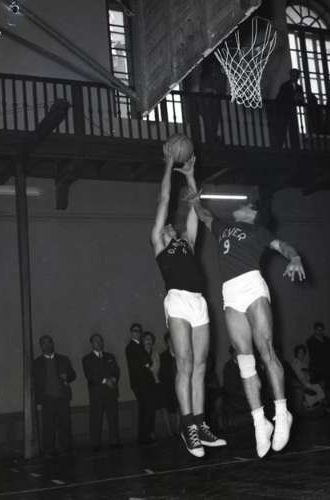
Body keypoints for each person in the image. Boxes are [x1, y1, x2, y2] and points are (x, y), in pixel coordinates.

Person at [192, 174, 306, 458]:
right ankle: (259, 422)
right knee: (244, 361)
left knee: (266, 350)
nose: (239, 206)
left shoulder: (259, 231)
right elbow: (203, 214)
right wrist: (192, 188)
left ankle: (282, 413)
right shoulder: (222, 227)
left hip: (252, 285)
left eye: (245, 205)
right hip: (230, 293)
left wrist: (294, 258)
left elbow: (283, 246)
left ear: (253, 214)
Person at [151, 144, 225, 458]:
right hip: (178, 300)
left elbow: (195, 208)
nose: (170, 225)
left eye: (172, 224)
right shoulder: (159, 242)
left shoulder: (189, 242)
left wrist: (191, 176)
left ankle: (200, 422)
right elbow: (165, 199)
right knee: (184, 363)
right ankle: (187, 426)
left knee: (200, 366)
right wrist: (169, 165)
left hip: (198, 302)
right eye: (167, 225)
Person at [33, 335, 76, 456]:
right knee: (48, 426)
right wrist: (38, 402)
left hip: (62, 398)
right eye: (44, 343)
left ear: (53, 344)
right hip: (47, 399)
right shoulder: (36, 363)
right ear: (41, 346)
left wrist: (67, 377)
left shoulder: (63, 359)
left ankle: (65, 449)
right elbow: (35, 384)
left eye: (49, 342)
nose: (47, 345)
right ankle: (48, 451)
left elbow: (73, 375)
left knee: (65, 424)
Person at [82, 333, 120, 451]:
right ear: (91, 343)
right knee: (96, 419)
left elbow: (116, 371)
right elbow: (90, 375)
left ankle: (114, 442)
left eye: (100, 340)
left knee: (113, 418)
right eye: (96, 341)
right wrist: (105, 381)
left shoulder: (110, 356)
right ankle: (95, 444)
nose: (98, 343)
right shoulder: (87, 359)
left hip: (111, 392)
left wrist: (113, 378)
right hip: (96, 395)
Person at [125, 322, 155, 444]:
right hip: (141, 383)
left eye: (139, 331)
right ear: (131, 332)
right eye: (135, 330)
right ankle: (145, 437)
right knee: (146, 409)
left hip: (143, 383)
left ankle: (144, 436)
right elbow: (147, 362)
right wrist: (147, 362)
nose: (137, 333)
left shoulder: (138, 346)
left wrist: (147, 362)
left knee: (145, 409)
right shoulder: (132, 346)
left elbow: (147, 362)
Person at [306, 322, 330, 409]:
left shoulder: (327, 339)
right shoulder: (311, 341)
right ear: (314, 330)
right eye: (318, 330)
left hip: (329, 367)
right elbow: (314, 355)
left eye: (321, 330)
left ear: (323, 330)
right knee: (322, 389)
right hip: (319, 369)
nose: (320, 332)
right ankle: (325, 408)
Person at [273, 68, 304, 149]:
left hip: (293, 111)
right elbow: (280, 98)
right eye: (293, 75)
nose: (294, 77)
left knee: (293, 129)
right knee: (283, 129)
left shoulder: (299, 87)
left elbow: (301, 100)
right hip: (284, 110)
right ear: (290, 76)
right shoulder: (285, 86)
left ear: (298, 77)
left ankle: (294, 147)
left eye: (296, 76)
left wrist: (299, 99)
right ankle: (280, 146)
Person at [158, 332, 180, 437]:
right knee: (166, 408)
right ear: (167, 342)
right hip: (166, 386)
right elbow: (160, 372)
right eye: (170, 340)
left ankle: (178, 428)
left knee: (180, 407)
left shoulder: (181, 354)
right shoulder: (162, 356)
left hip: (179, 385)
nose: (172, 342)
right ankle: (169, 431)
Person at [291, 345, 326, 409]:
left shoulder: (304, 363)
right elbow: (298, 376)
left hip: (307, 381)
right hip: (300, 383)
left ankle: (317, 403)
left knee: (318, 385)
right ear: (296, 353)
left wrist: (309, 376)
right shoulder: (295, 363)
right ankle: (314, 403)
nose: (301, 354)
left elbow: (309, 374)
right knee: (312, 387)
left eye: (302, 353)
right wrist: (306, 378)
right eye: (299, 352)